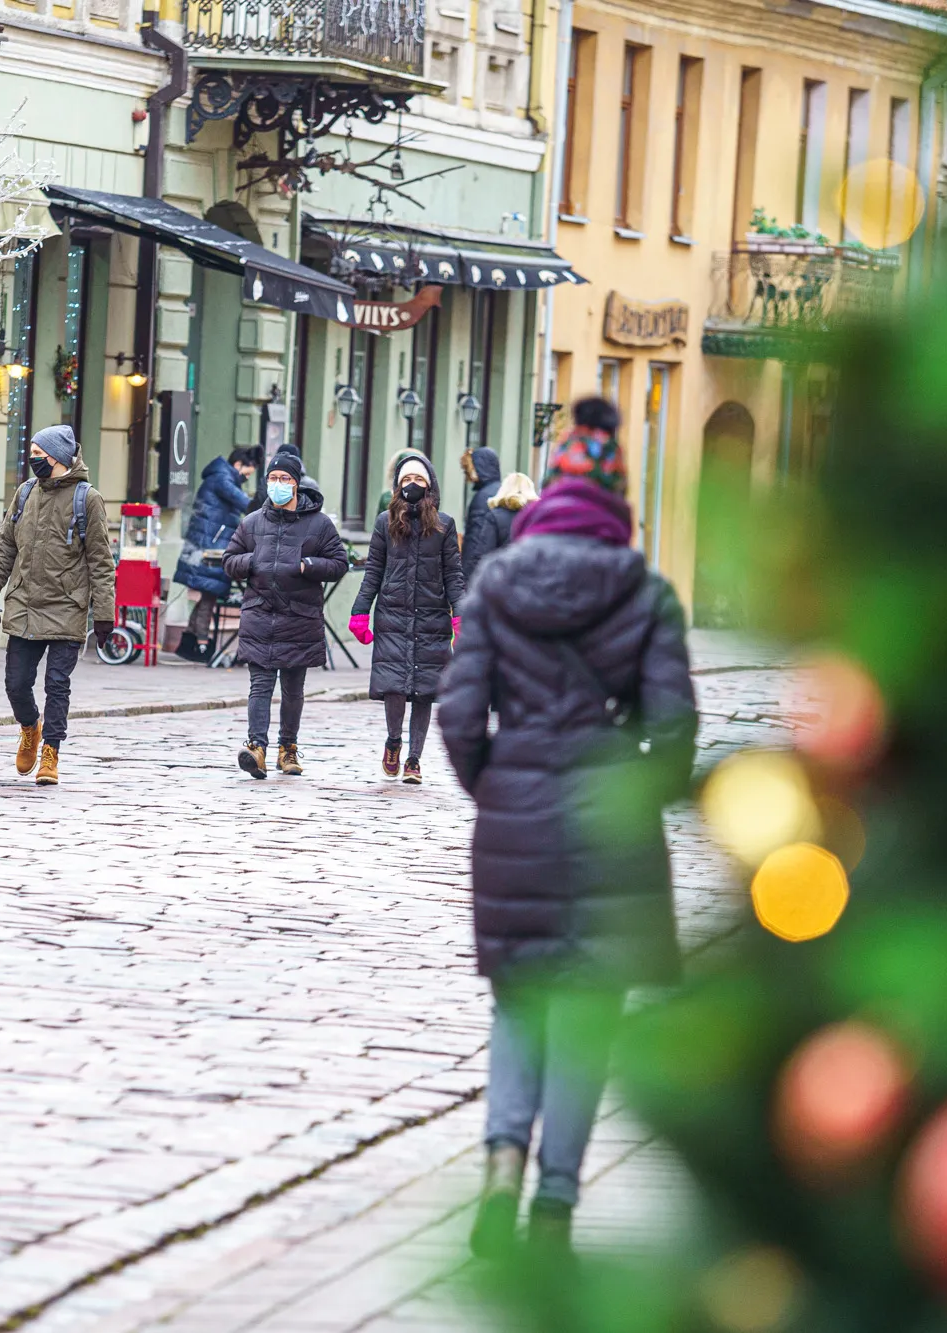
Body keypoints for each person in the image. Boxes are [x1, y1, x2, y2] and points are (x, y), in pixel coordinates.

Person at [437, 395, 697, 1258]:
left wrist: (495, 786)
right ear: (619, 500)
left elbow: (459, 711)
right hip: (609, 822)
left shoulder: (498, 583)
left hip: (515, 815)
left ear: (549, 494)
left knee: (518, 1002)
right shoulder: (647, 591)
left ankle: (503, 1157)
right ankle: (553, 1204)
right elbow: (678, 725)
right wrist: (637, 788)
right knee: (586, 1014)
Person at [0, 424, 114, 787]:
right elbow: (6, 547)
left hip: (67, 607)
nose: (33, 459)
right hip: (24, 604)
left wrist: (103, 615)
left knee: (57, 684)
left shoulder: (88, 499)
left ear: (56, 457)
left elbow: (101, 562)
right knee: (16, 684)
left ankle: (51, 752)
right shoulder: (24, 494)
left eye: (38, 454)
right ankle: (29, 727)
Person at [220, 449, 349, 778]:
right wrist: (250, 561)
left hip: (299, 617)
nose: (278, 484)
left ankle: (287, 749)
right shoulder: (252, 523)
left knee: (293, 689)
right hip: (260, 613)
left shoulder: (319, 525)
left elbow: (339, 563)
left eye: (285, 479)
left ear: (296, 484)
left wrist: (310, 566)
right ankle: (256, 747)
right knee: (260, 686)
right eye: (273, 478)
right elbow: (229, 559)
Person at [348, 454, 465, 784]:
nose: (412, 486)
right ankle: (394, 742)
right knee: (394, 687)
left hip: (431, 616)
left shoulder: (444, 525)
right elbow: (373, 571)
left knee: (426, 690)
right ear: (398, 487)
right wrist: (359, 611)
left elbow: (453, 574)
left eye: (419, 480)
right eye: (406, 481)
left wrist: (461, 617)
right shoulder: (385, 523)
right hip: (393, 615)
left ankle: (414, 759)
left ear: (429, 485)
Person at [175, 445, 261, 661]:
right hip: (210, 547)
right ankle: (201, 645)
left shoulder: (221, 476)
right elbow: (246, 504)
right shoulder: (222, 479)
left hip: (207, 543)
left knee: (208, 594)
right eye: (247, 473)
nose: (246, 478)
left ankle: (189, 640)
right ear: (238, 465)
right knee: (209, 595)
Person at [459, 445, 506, 584]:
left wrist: (465, 579)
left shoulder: (482, 497)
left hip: (482, 573)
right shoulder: (502, 491)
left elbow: (475, 541)